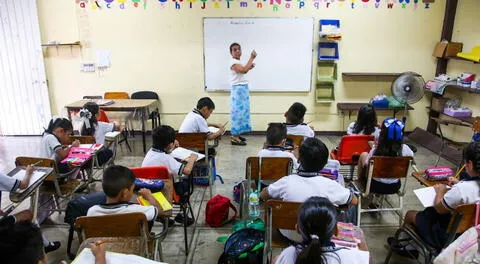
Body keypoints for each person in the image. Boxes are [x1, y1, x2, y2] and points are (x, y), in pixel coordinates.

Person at [261, 137, 358, 242]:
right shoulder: (330, 185)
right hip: (321, 236)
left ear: (298, 160)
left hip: (288, 235)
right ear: (325, 164)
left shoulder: (285, 182)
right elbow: (354, 201)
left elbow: (263, 195)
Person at [391, 142, 480, 256]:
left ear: (470, 164)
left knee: (410, 214)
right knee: (426, 214)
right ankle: (411, 246)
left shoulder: (461, 190)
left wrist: (440, 191)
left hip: (447, 237)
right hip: (469, 234)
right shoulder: (464, 187)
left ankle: (405, 248)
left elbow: (439, 208)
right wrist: (458, 183)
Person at [273, 197, 368, 264]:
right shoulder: (352, 257)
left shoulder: (288, 254)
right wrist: (363, 245)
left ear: (297, 228)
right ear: (336, 231)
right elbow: (365, 260)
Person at [87, 165, 161, 230]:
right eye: (132, 189)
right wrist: (149, 196)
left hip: (103, 245)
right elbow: (157, 210)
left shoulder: (92, 212)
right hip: (133, 245)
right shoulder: (139, 212)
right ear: (125, 193)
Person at [357, 118, 414, 195]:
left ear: (382, 134)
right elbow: (411, 158)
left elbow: (366, 164)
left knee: (364, 155)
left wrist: (373, 145)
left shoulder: (376, 150)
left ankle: (359, 182)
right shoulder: (406, 149)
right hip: (394, 186)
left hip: (374, 185)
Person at [229, 42, 256, 146]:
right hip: (238, 90)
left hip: (242, 89)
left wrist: (249, 67)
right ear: (231, 52)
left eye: (239, 49)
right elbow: (244, 70)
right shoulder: (232, 62)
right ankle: (234, 137)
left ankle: (238, 134)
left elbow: (244, 70)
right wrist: (251, 58)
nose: (237, 51)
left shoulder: (238, 61)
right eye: (234, 50)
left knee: (243, 113)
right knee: (237, 114)